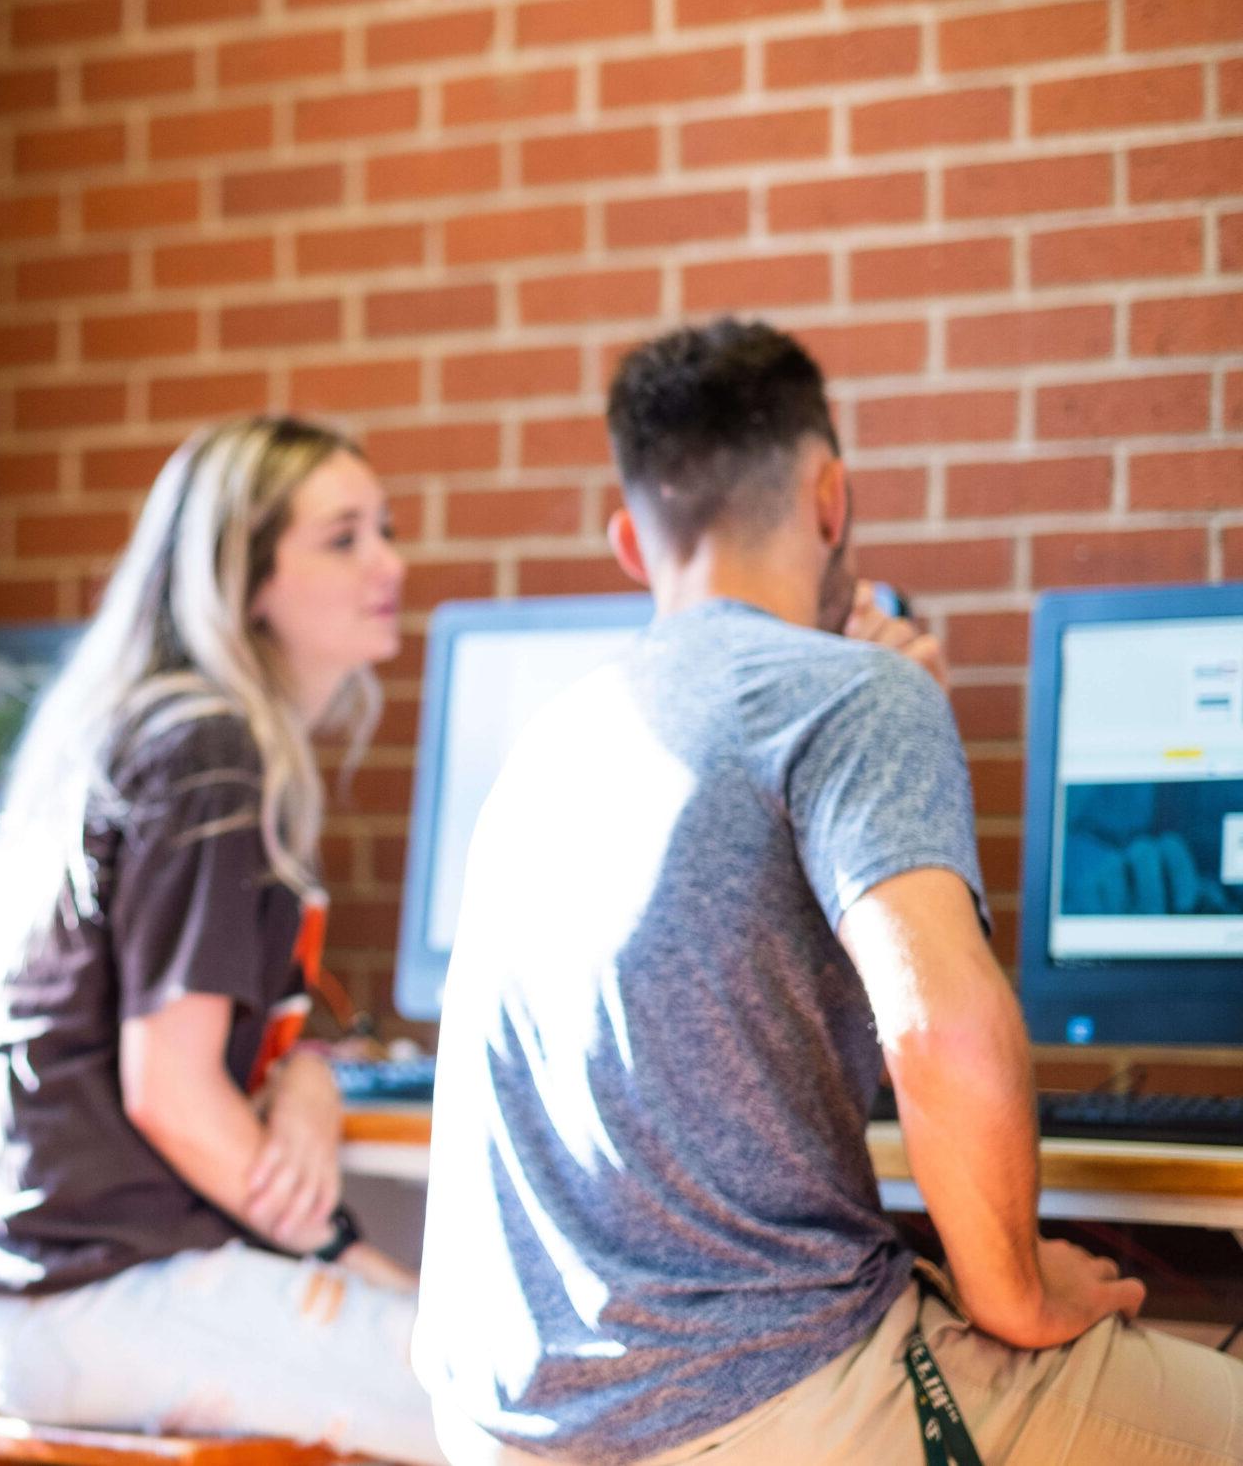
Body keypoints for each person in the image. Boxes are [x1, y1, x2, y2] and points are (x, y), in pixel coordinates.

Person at [416, 319, 1243, 1465]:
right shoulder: (855, 697)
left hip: (502, 1428)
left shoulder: (554, 740)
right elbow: (940, 1027)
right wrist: (1015, 1298)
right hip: (756, 1408)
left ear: (629, 543)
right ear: (832, 496)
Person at [0, 416, 444, 1462]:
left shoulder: (163, 728)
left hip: (56, 1295)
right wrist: (351, 1256)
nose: (389, 562)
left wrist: (308, 1082)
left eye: (382, 529)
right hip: (95, 1296)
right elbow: (171, 1090)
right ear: (243, 577)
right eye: (343, 538)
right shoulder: (208, 748)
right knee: (511, 1403)